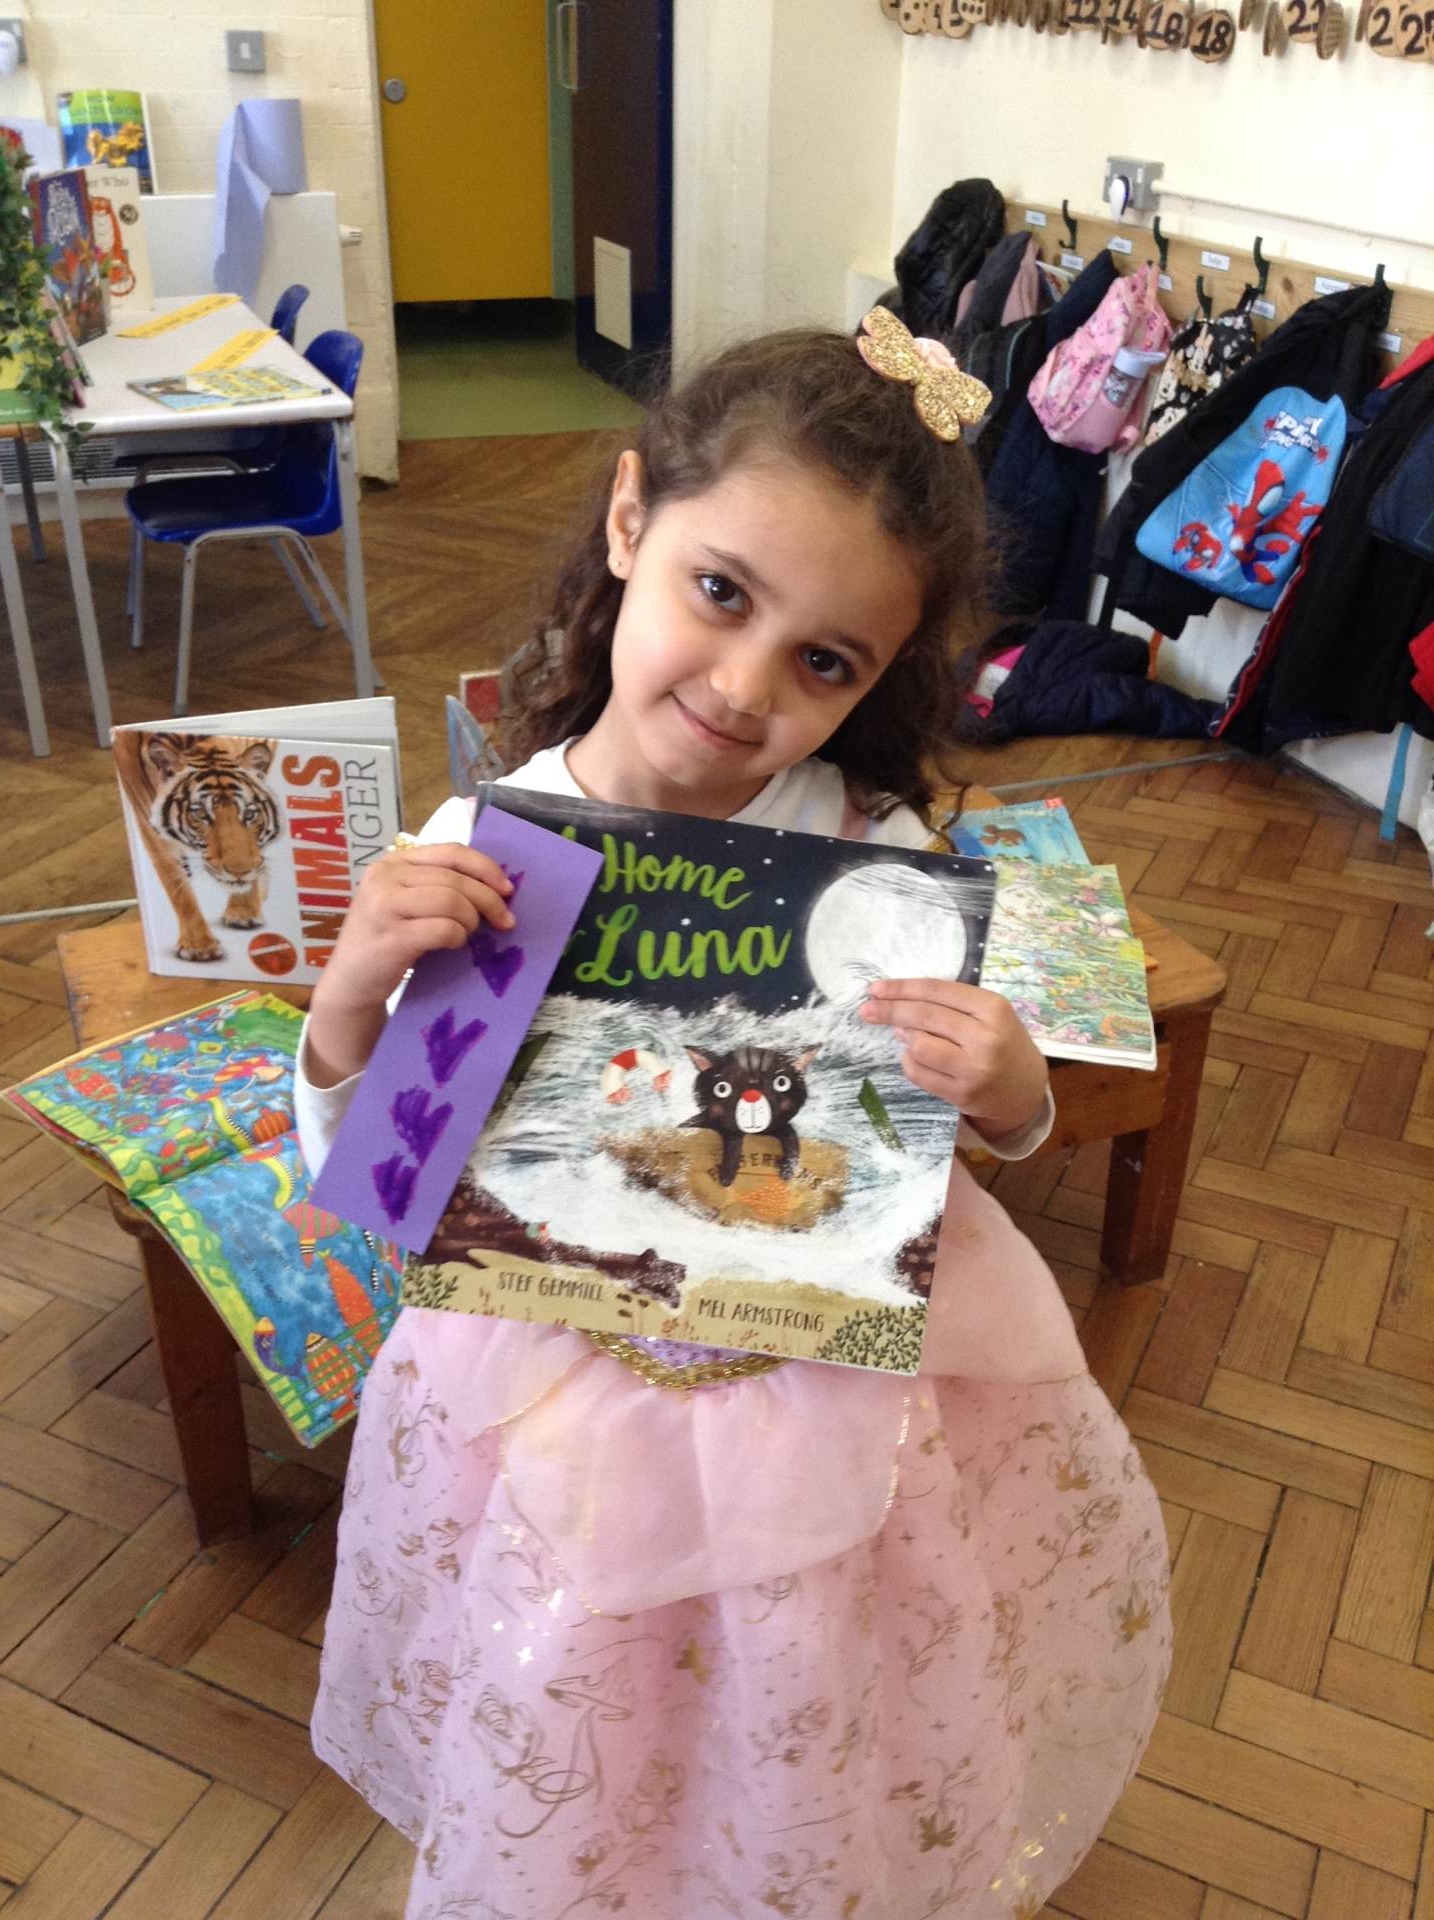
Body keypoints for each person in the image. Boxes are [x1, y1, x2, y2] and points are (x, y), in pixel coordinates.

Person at [297, 322, 1171, 1920]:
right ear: (630, 520)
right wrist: (354, 996)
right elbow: (378, 1169)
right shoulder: (483, 845)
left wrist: (1010, 1089)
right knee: (581, 1678)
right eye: (720, 592)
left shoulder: (874, 852)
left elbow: (967, 1131)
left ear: (874, 680)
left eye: (824, 662)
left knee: (802, 1682)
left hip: (826, 1384)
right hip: (557, 1373)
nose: (744, 686)